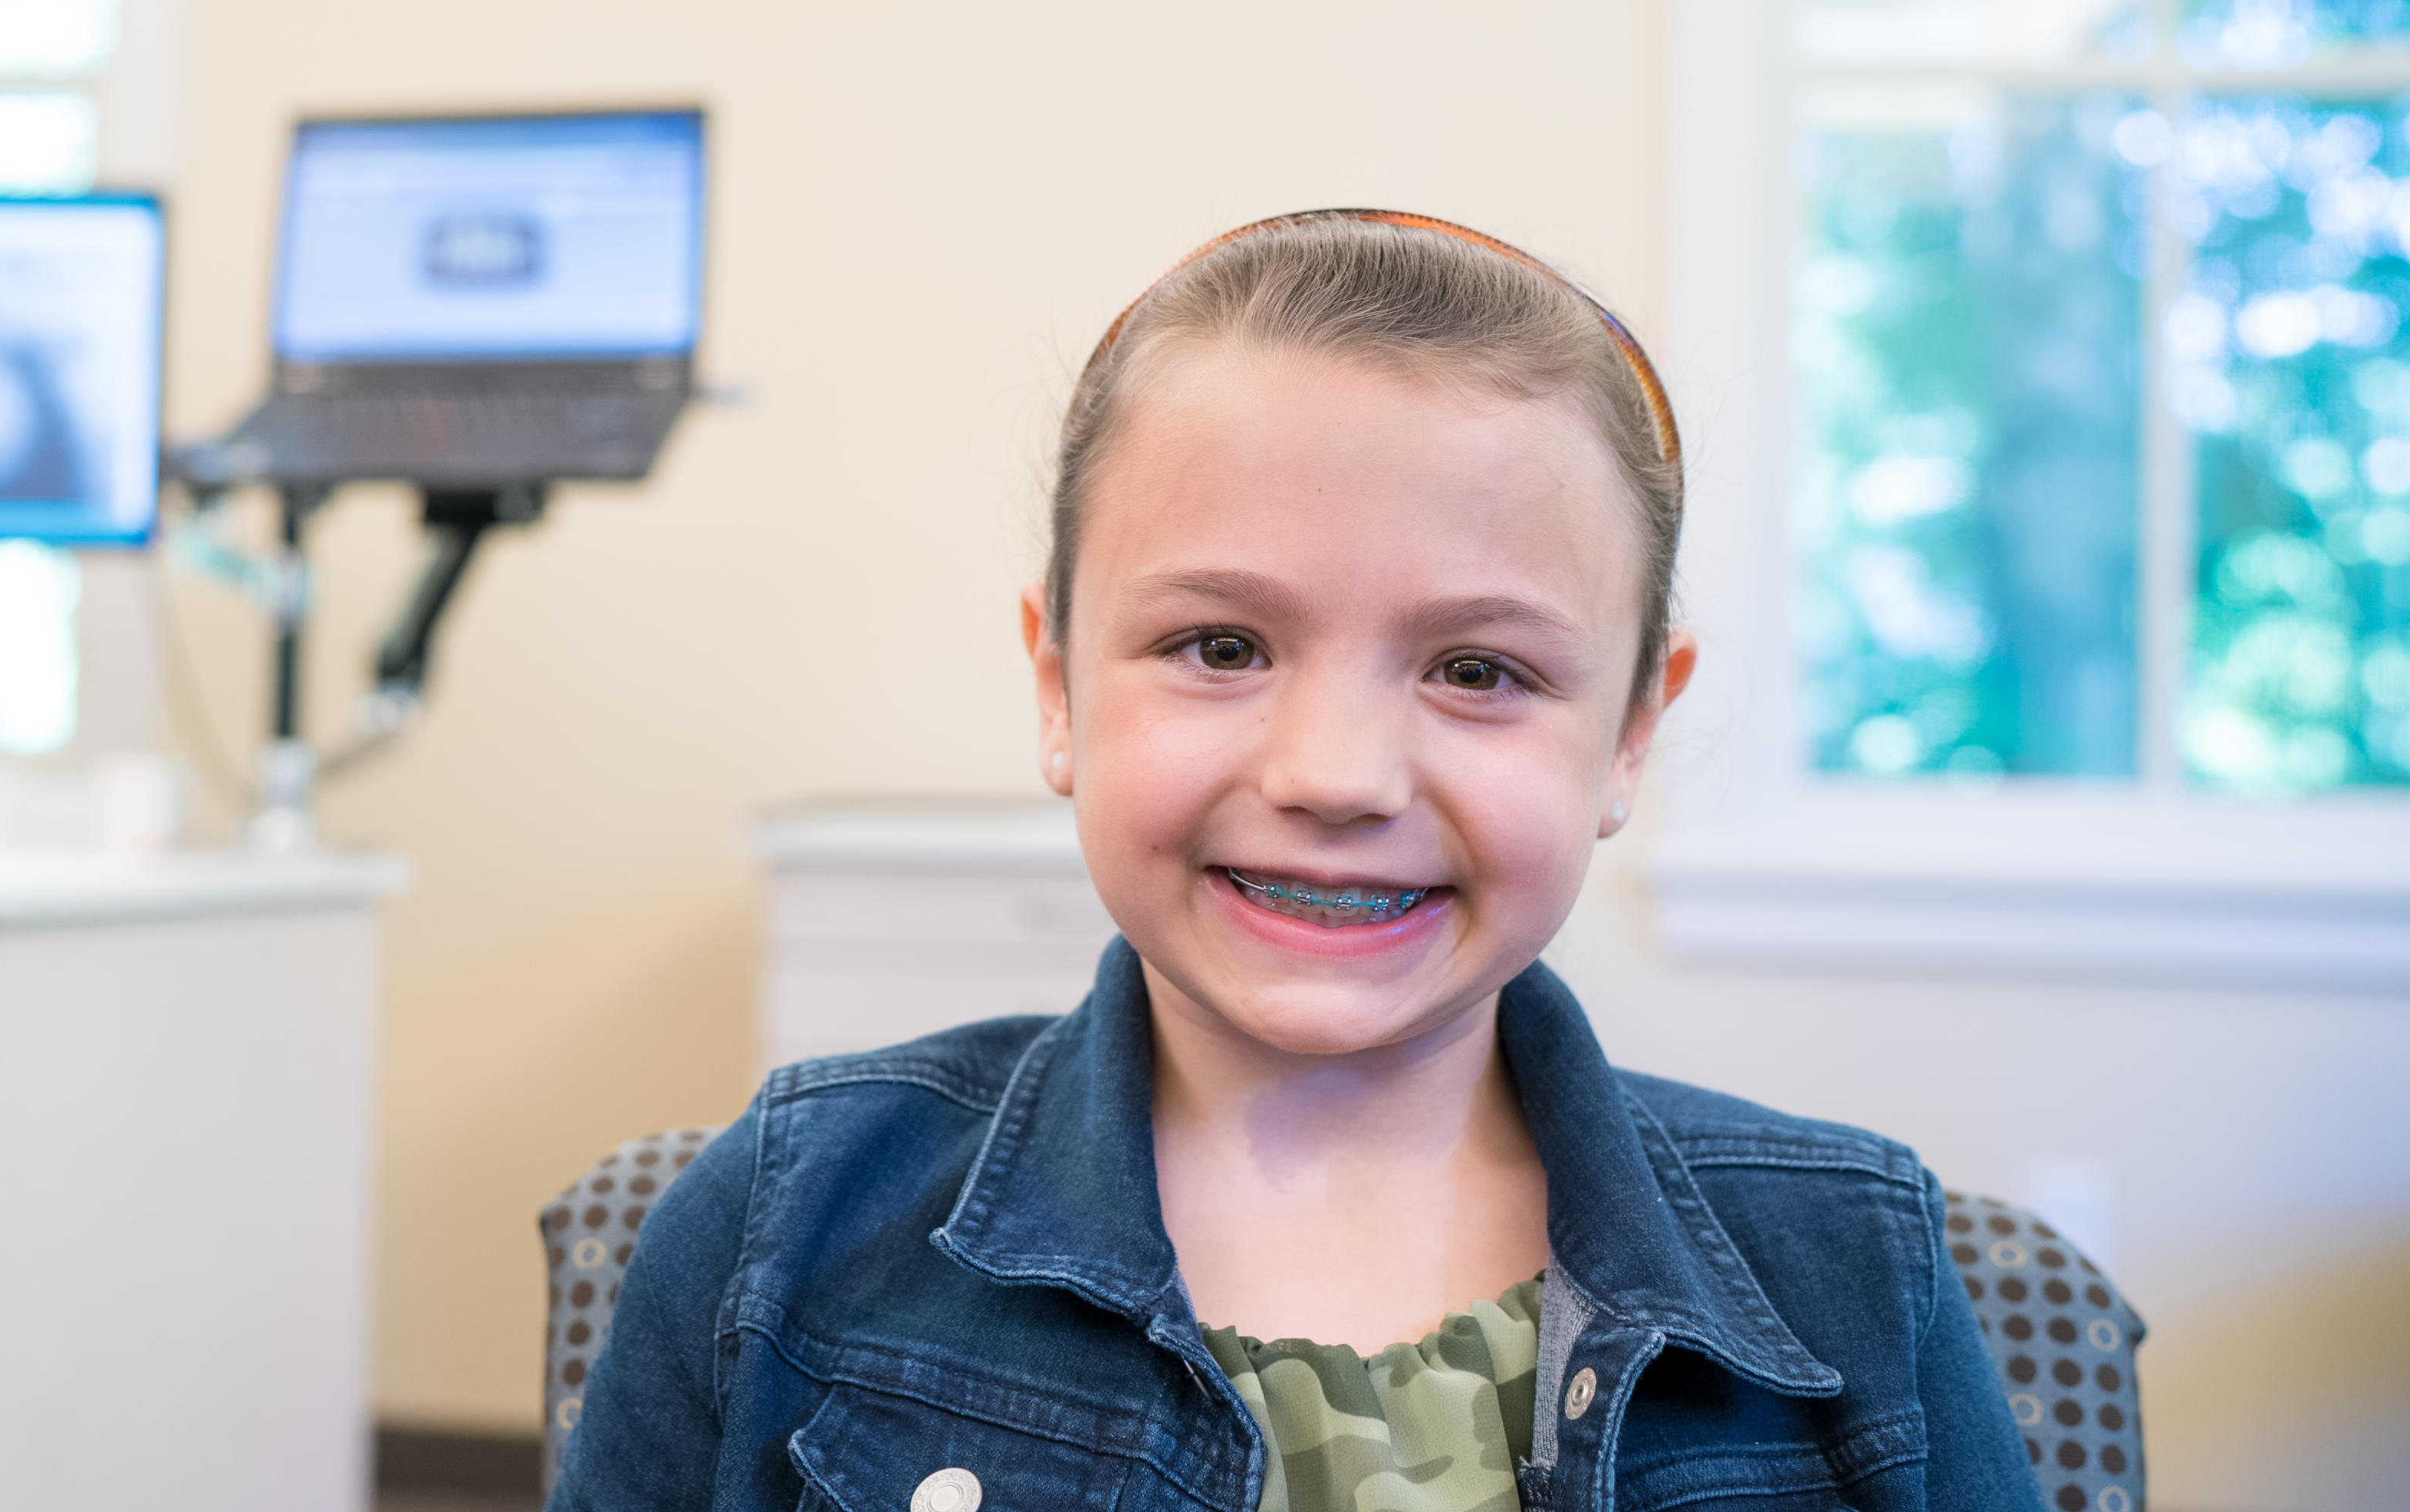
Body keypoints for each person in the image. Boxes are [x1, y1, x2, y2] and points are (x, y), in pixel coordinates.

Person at [551, 212, 2041, 1511]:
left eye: (1473, 668)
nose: (1332, 776)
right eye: (1220, 646)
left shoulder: (1857, 1269)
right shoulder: (785, 1221)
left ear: (1630, 734)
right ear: (1057, 683)